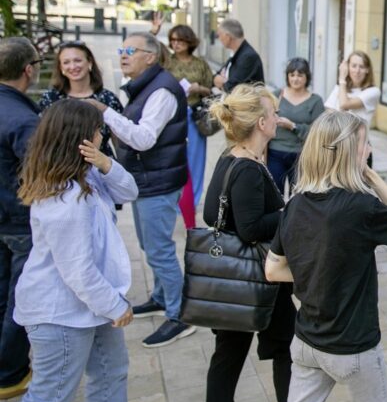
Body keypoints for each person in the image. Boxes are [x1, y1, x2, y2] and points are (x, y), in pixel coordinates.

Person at [0, 99, 161, 402]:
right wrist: (116, 306)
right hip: (62, 313)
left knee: (110, 370)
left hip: (89, 307)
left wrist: (106, 163)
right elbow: (78, 271)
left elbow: (130, 192)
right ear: (78, 138)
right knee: (49, 400)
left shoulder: (85, 177)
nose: (102, 133)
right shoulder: (65, 198)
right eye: (97, 128)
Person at [257, 110, 387, 402]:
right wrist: (373, 177)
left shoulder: (295, 205)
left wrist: (314, 273)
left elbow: (272, 269)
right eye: (365, 146)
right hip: (355, 347)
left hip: (308, 343)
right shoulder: (361, 207)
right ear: (348, 154)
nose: (370, 149)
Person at [199, 84, 337, 402]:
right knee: (285, 348)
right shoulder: (247, 168)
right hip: (258, 279)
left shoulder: (232, 158)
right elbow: (248, 227)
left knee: (230, 352)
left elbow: (213, 215)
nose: (278, 119)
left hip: (235, 281)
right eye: (273, 114)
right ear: (262, 123)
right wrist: (289, 213)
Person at [94, 32, 193, 348]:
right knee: (151, 247)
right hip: (148, 180)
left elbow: (144, 138)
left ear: (150, 56)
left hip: (158, 183)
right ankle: (162, 297)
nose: (122, 55)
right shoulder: (145, 85)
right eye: (121, 49)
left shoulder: (162, 90)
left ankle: (180, 315)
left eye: (129, 50)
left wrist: (104, 112)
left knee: (160, 249)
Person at [0, 37, 40, 400]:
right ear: (29, 70)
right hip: (17, 221)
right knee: (20, 296)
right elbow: (41, 173)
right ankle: (10, 372)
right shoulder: (22, 118)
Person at [162, 24, 215, 222]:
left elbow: (210, 89)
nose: (176, 44)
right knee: (174, 157)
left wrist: (198, 88)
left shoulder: (200, 63)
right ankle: (176, 199)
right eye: (173, 40)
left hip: (194, 114)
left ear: (188, 41)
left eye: (180, 40)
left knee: (196, 159)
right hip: (171, 115)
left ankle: (192, 200)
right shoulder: (167, 61)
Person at [37, 41, 124, 156]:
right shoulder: (50, 99)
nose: (72, 66)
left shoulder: (108, 98)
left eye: (77, 60)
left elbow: (120, 142)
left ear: (89, 62)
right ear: (61, 67)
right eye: (66, 62)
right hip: (61, 167)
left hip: (101, 167)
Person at [268, 58, 325, 195]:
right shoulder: (277, 96)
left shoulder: (315, 101)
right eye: (292, 75)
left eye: (300, 75)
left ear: (307, 77)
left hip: (301, 156)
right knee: (275, 196)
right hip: (275, 153)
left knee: (299, 196)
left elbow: (318, 132)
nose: (295, 79)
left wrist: (293, 126)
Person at [325, 51, 380, 167]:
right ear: (348, 67)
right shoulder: (340, 88)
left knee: (359, 184)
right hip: (338, 144)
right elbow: (329, 113)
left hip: (359, 148)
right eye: (353, 66)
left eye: (362, 67)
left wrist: (342, 78)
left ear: (367, 70)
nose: (357, 70)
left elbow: (344, 104)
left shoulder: (373, 92)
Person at [213, 18, 264, 92]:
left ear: (228, 37)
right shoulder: (236, 54)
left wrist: (223, 82)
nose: (219, 38)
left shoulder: (248, 57)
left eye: (219, 35)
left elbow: (231, 87)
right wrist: (223, 81)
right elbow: (216, 77)